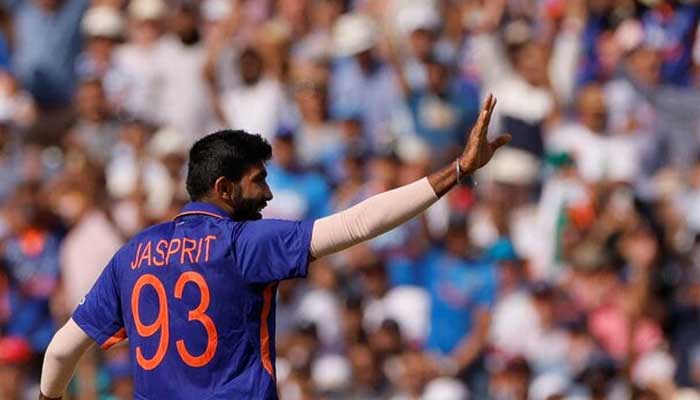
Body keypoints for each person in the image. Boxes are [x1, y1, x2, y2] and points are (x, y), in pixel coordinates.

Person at [38, 95, 510, 399]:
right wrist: (457, 171)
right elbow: (360, 222)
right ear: (224, 188)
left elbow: (60, 351)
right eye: (258, 181)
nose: (267, 195)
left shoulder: (131, 255)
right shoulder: (242, 243)